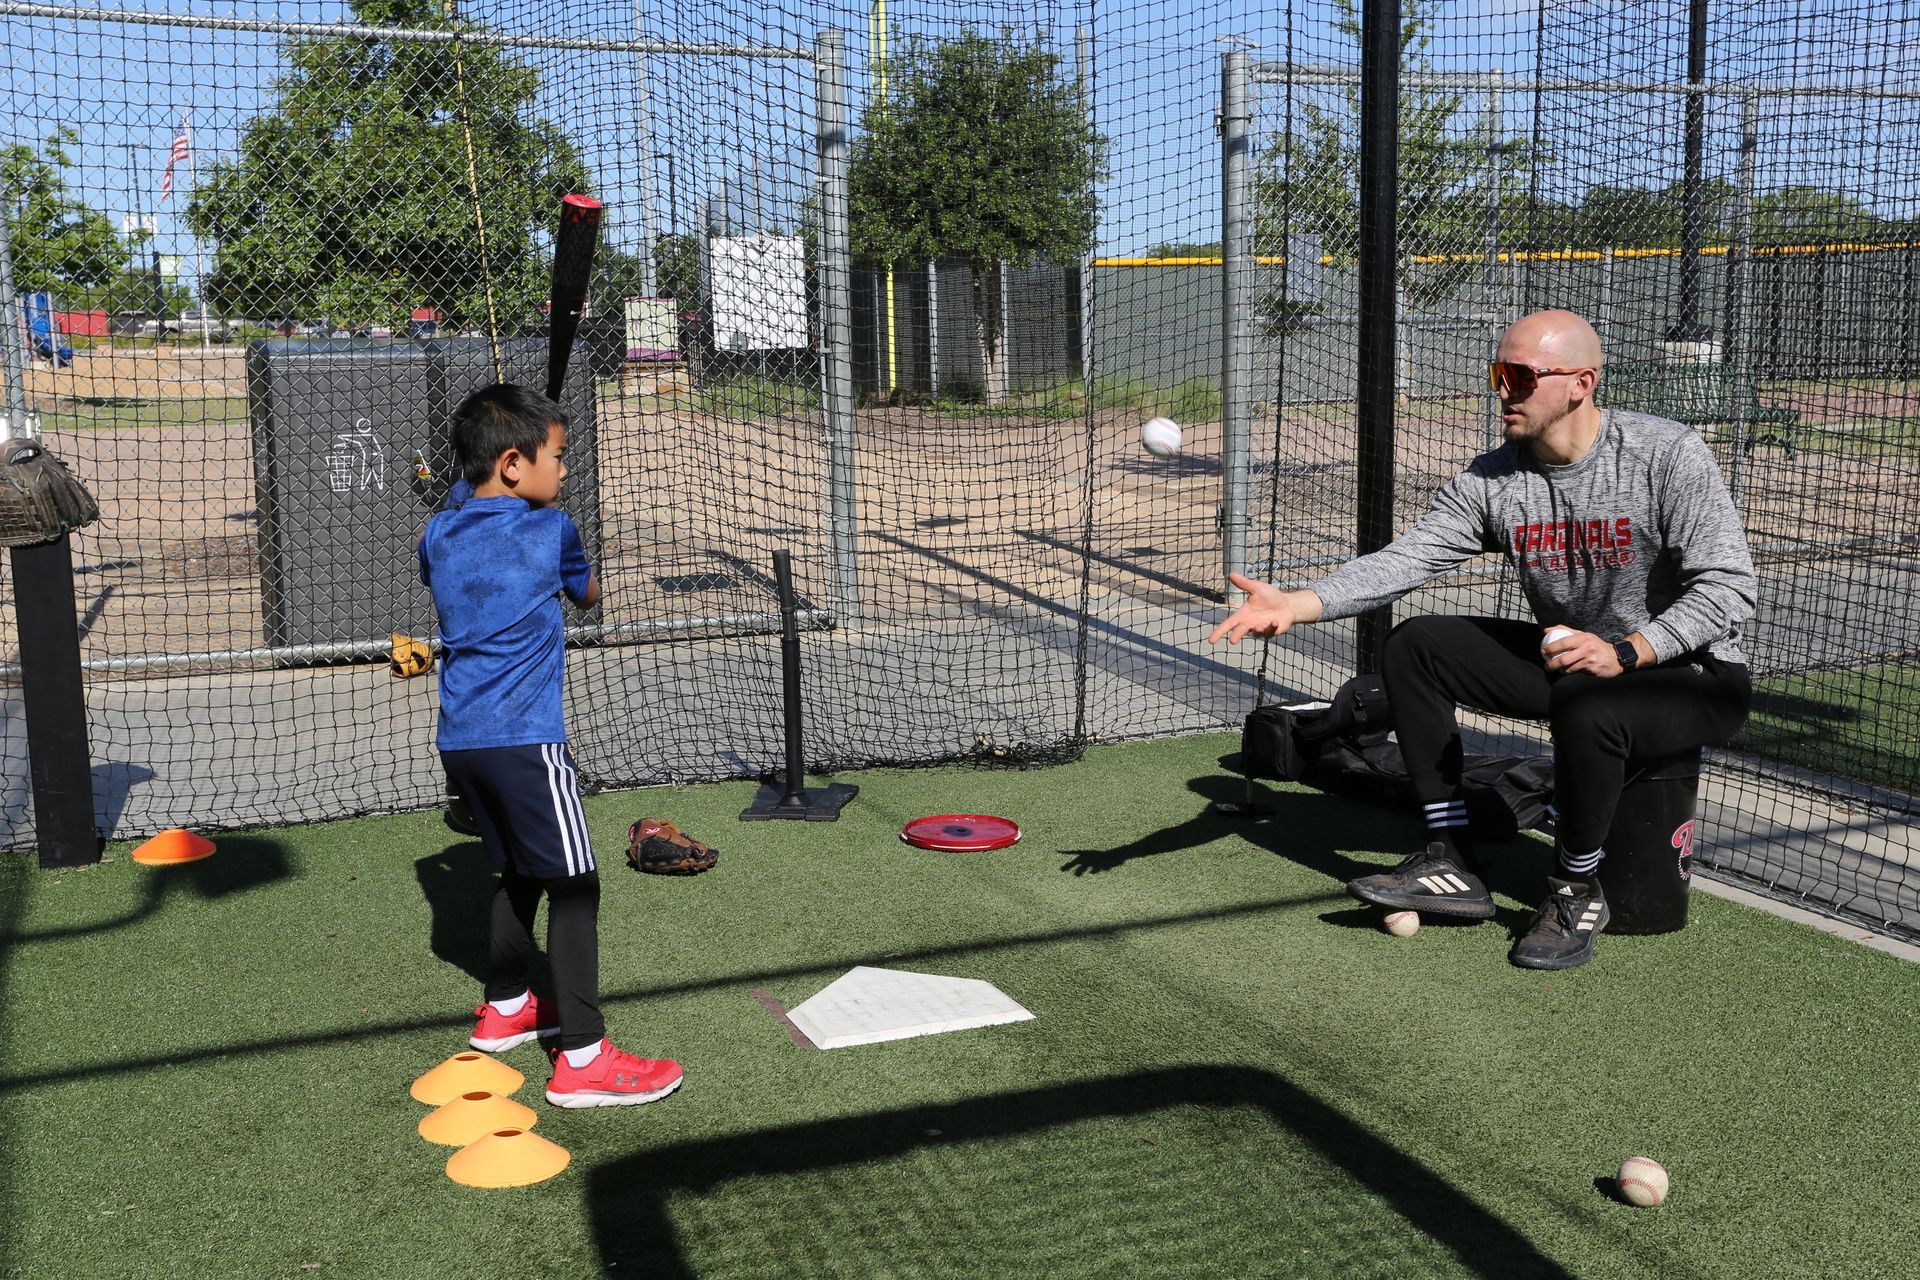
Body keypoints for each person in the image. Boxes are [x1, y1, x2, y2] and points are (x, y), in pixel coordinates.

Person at [1208, 310, 1755, 970]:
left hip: (1690, 674)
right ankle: (1451, 856)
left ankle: (1575, 888)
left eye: (1519, 376)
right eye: (1498, 373)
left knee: (1589, 704)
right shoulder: (1495, 479)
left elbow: (1727, 590)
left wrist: (1628, 650)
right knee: (1417, 646)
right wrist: (1301, 601)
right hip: (1581, 663)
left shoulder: (1665, 453)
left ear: (1580, 383)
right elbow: (1410, 557)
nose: (1502, 390)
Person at [420, 383, 683, 1106]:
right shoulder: (552, 530)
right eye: (557, 457)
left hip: (462, 742)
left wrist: (484, 489)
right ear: (512, 463)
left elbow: (456, 507)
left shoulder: (437, 534)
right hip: (528, 740)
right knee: (576, 885)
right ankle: (584, 1057)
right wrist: (550, 527)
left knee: (522, 874)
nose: (565, 472)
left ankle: (507, 1008)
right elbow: (588, 596)